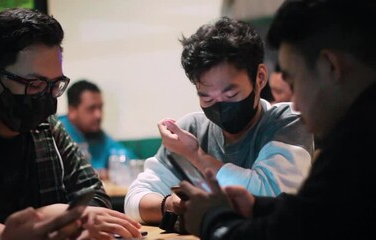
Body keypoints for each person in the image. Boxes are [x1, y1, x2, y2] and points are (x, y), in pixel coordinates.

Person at [177, 0, 376, 239]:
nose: (296, 103)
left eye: (293, 82)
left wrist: (213, 221)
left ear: (330, 66)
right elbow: (315, 216)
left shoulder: (358, 141)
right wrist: (257, 206)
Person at [0, 8, 141, 239]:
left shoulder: (48, 128)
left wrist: (76, 220)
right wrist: (53, 216)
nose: (47, 98)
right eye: (34, 84)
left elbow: (94, 197)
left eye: (54, 84)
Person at [125, 17, 314, 224]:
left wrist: (195, 155)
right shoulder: (192, 130)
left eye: (231, 94)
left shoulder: (288, 121)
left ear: (260, 78)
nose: (220, 107)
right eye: (206, 97)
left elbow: (269, 196)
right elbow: (134, 201)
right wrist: (170, 205)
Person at [59, 80, 137, 180]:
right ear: (72, 111)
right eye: (91, 108)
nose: (98, 115)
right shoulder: (56, 132)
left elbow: (131, 162)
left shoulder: (99, 135)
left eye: (100, 107)